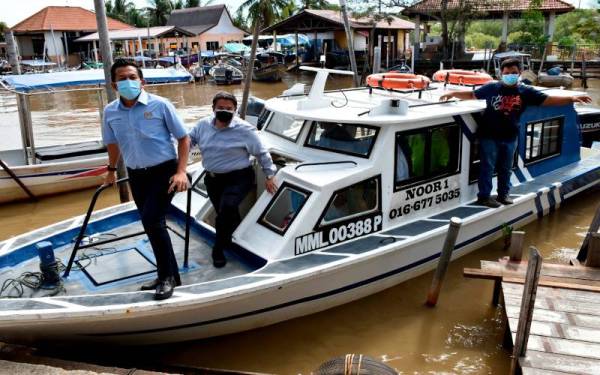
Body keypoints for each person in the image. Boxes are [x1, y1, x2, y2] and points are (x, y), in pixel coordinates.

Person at [440, 58, 592, 208]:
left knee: (505, 168)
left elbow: (548, 100)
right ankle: (484, 197)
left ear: (519, 73)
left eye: (513, 72)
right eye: (507, 73)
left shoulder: (525, 91)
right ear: (501, 73)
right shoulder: (492, 88)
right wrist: (453, 93)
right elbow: (472, 95)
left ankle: (503, 195)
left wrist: (572, 98)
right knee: (488, 166)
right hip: (489, 136)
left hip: (510, 136)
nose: (510, 75)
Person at [102, 59, 190, 300]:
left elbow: (183, 138)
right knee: (151, 223)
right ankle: (171, 273)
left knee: (152, 220)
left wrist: (181, 171)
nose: (127, 82)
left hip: (165, 172)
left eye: (132, 77)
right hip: (136, 175)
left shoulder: (160, 105)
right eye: (122, 78)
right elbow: (112, 143)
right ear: (113, 84)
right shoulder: (110, 111)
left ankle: (166, 277)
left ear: (142, 81)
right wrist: (111, 169)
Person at [189, 92, 277, 268]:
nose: (224, 111)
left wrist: (269, 175)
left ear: (235, 110)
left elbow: (261, 153)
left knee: (226, 209)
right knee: (226, 212)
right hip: (213, 179)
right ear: (213, 109)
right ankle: (237, 236)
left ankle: (218, 249)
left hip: (239, 177)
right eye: (220, 108)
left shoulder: (244, 130)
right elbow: (188, 142)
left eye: (229, 109)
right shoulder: (202, 125)